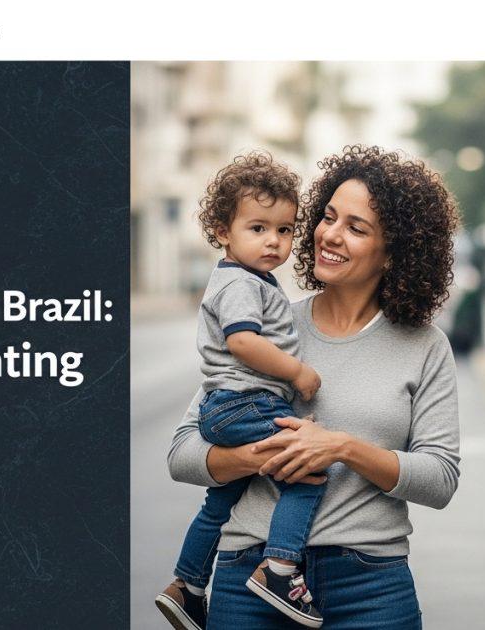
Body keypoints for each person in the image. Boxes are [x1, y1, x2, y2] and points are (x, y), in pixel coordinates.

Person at [167, 145, 462, 629]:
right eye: (328, 217)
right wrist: (265, 455)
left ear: (394, 253)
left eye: (356, 228)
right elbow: (182, 455)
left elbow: (440, 478)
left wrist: (341, 448)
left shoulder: (425, 346)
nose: (330, 234)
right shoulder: (266, 326)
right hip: (248, 581)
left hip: (371, 587)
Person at [156, 152, 326, 630]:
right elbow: (243, 342)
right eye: (258, 228)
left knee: (219, 502)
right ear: (223, 231)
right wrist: (297, 372)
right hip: (246, 403)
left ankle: (187, 586)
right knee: (309, 472)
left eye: (285, 229)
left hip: (228, 405)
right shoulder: (240, 284)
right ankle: (280, 569)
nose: (273, 240)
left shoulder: (249, 279)